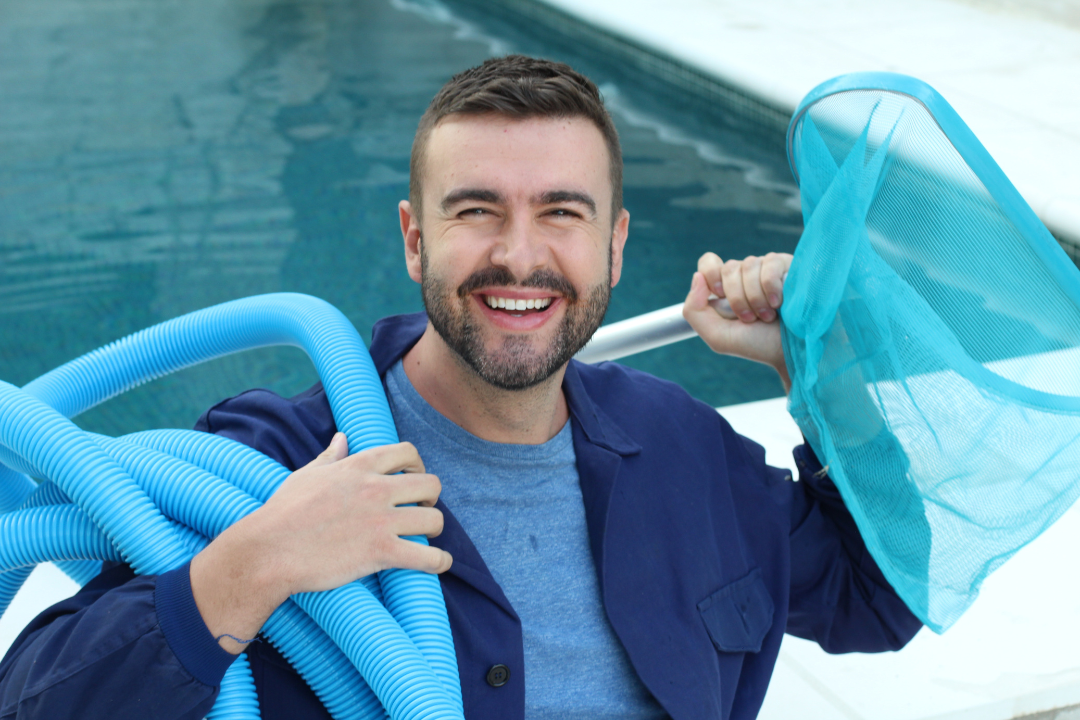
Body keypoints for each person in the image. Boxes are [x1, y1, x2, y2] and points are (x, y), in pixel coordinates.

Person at [0, 55, 920, 720]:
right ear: (413, 238)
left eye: (562, 212)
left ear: (616, 244)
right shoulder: (271, 466)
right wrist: (254, 564)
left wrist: (819, 371)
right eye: (476, 210)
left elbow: (881, 599)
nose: (520, 255)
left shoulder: (685, 452)